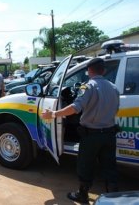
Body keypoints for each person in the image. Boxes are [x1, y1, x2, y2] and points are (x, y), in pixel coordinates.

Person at [42, 58, 120, 204]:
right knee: (110, 166)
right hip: (110, 134)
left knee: (85, 165)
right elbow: (115, 110)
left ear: (89, 71)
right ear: (103, 70)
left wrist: (53, 114)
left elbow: (75, 108)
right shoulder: (114, 87)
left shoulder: (88, 87)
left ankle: (82, 195)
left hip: (91, 136)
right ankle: (113, 199)